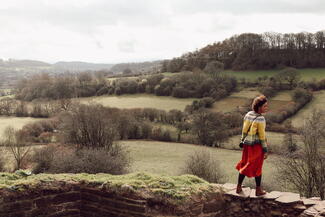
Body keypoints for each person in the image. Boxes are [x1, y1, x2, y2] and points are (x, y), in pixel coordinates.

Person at [235, 95, 269, 196]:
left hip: (246, 145)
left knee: (245, 163)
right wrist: (265, 149)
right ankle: (258, 190)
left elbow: (244, 130)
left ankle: (238, 187)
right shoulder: (261, 119)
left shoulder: (248, 114)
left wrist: (242, 140)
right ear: (259, 107)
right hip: (256, 146)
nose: (267, 108)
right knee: (257, 166)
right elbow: (262, 136)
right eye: (265, 106)